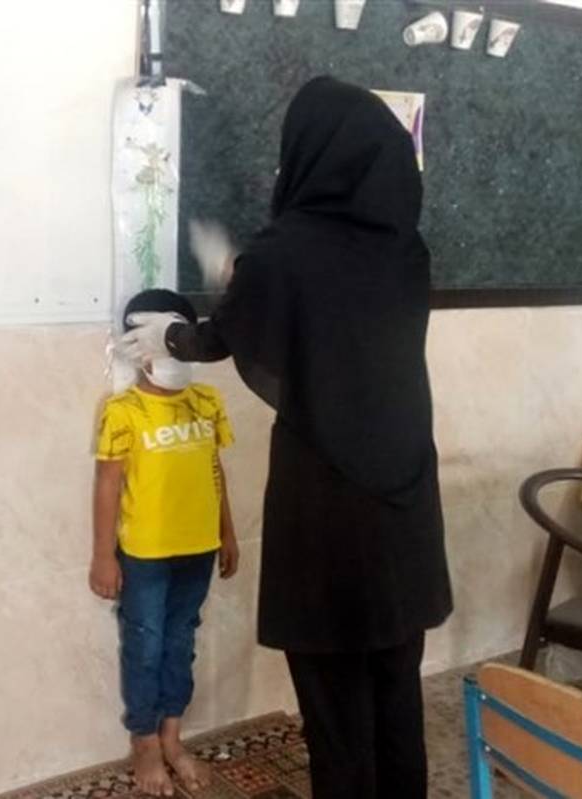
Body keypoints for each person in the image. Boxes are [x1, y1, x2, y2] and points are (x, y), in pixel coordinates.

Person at [118, 77, 453, 798]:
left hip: (329, 513)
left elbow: (235, 332)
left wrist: (175, 331)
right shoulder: (406, 250)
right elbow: (330, 326)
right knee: (396, 693)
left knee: (334, 707)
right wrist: (244, 277)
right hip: (406, 510)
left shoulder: (287, 250)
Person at [90, 289, 241, 797]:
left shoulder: (206, 402)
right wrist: (103, 555)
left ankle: (174, 736)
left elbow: (214, 468)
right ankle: (146, 741)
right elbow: (108, 485)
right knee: (145, 645)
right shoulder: (123, 410)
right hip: (146, 555)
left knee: (181, 642)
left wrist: (227, 531)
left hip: (198, 548)